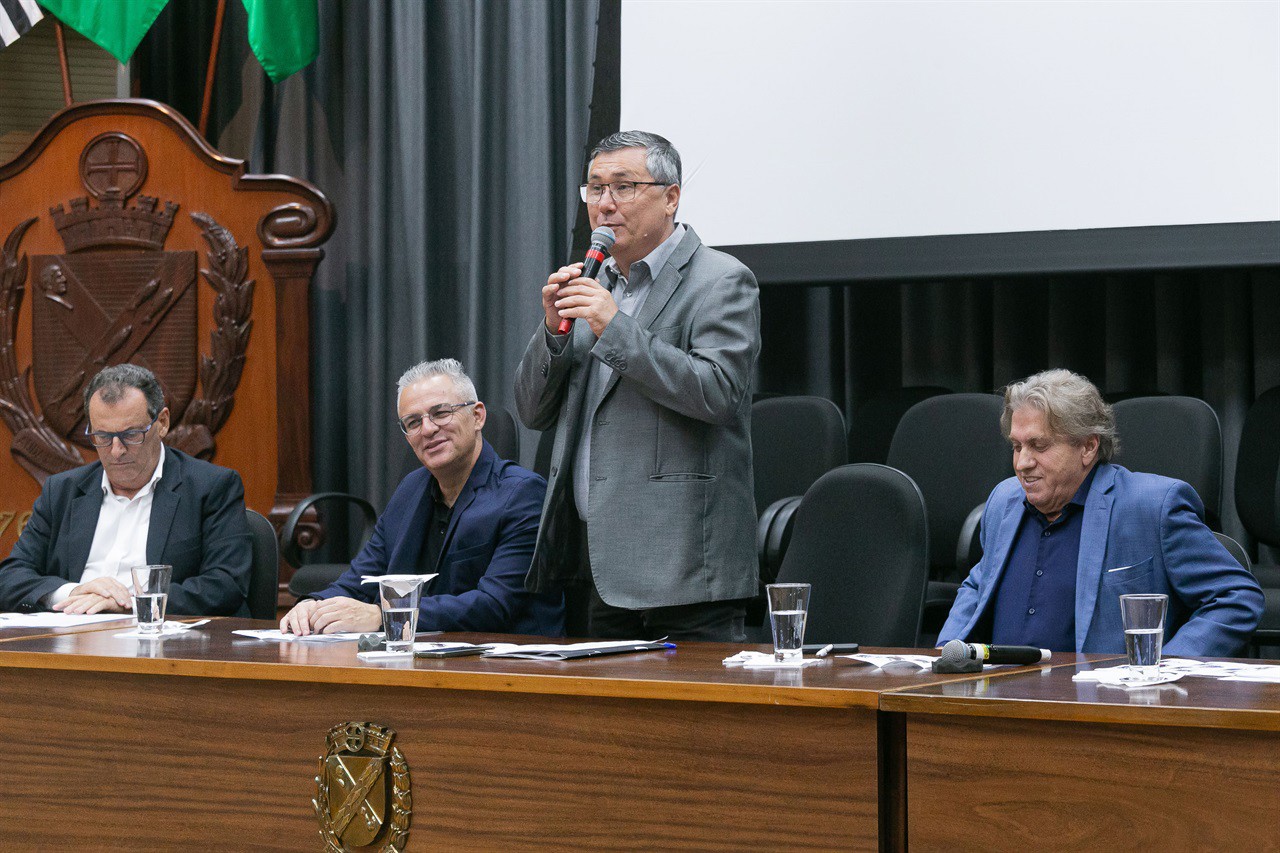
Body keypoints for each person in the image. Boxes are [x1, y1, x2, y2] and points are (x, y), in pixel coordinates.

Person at [513, 130, 760, 642]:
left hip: (685, 571)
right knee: (609, 724)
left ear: (671, 196)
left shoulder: (721, 281)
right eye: (595, 189)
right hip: (599, 568)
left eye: (623, 187)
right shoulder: (594, 285)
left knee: (692, 724)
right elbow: (532, 412)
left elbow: (718, 393)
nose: (605, 205)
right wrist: (554, 333)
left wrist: (615, 328)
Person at [939, 369, 1263, 656]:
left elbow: (1235, 598)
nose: (1022, 463)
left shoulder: (1153, 506)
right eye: (1016, 446)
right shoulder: (1003, 501)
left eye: (1039, 446)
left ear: (1088, 447)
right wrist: (945, 655)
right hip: (993, 701)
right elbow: (979, 586)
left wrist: (1163, 671)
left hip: (1097, 708)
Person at [280, 359, 563, 636]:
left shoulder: (523, 493)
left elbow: (495, 604)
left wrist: (384, 615)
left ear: (477, 416)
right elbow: (360, 580)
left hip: (514, 666)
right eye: (413, 422)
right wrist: (313, 605)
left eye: (441, 413)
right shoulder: (410, 490)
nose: (427, 429)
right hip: (431, 661)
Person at [0, 364, 251, 615]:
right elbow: (9, 578)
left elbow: (225, 585)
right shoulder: (62, 491)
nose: (116, 451)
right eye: (103, 436)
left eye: (131, 435)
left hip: (161, 642)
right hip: (72, 640)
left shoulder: (211, 487)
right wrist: (73, 592)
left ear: (162, 423)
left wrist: (129, 603)